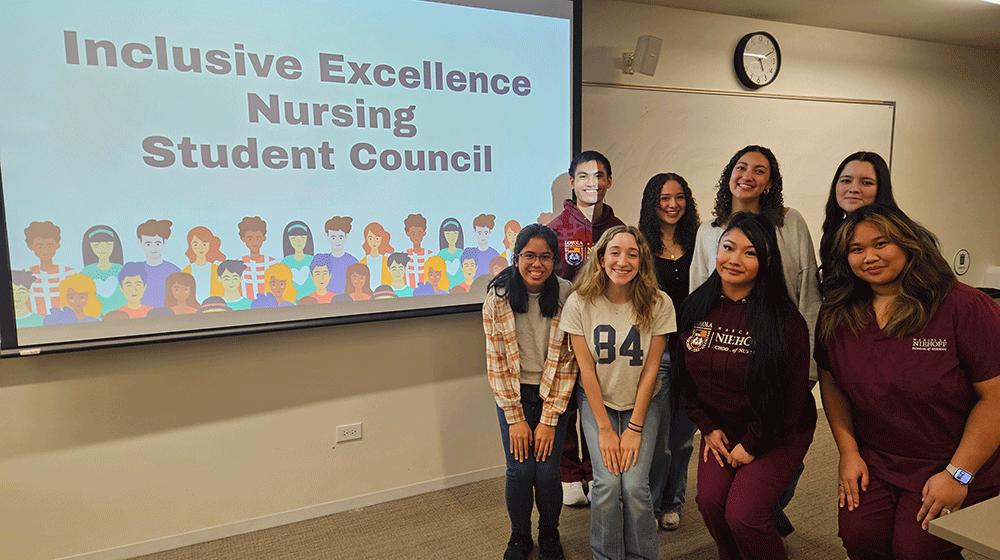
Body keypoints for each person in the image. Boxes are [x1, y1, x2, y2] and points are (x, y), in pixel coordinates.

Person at [815, 204, 1000, 560]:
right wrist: (848, 453)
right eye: (856, 249)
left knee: (915, 550)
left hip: (951, 458)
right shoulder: (838, 309)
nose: (869, 256)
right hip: (876, 457)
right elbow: (832, 382)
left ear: (908, 243)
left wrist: (958, 475)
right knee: (859, 539)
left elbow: (995, 398)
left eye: (881, 244)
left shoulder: (964, 305)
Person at [689, 145, 820, 535]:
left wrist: (807, 365)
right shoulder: (710, 229)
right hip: (725, 354)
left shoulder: (788, 222)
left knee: (754, 498)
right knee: (717, 501)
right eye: (741, 167)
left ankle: (760, 508)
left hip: (779, 352)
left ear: (770, 181)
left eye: (759, 170)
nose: (748, 175)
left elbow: (808, 291)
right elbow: (700, 290)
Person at [560, 225, 675, 560]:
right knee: (607, 486)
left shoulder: (659, 303)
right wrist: (607, 431)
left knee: (635, 487)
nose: (623, 261)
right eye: (615, 252)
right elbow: (586, 371)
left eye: (632, 254)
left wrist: (635, 428)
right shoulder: (579, 303)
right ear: (600, 258)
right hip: (599, 402)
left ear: (642, 262)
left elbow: (652, 370)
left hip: (644, 401)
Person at [483, 223, 576, 560]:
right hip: (514, 393)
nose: (537, 264)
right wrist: (515, 417)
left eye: (546, 257)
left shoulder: (567, 295)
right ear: (516, 257)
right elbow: (496, 361)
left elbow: (569, 362)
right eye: (530, 256)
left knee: (549, 472)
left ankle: (549, 534)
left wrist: (550, 418)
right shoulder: (499, 296)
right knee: (520, 471)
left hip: (555, 393)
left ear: (555, 260)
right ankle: (519, 536)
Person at [549, 150, 626, 506]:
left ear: (608, 181)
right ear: (572, 182)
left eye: (598, 176)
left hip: (608, 333)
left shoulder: (620, 231)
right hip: (565, 333)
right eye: (583, 176)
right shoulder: (555, 230)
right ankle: (569, 473)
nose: (591, 183)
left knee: (600, 402)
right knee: (565, 402)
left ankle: (595, 469)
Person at [636, 172, 701, 531]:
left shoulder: (701, 240)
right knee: (656, 438)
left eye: (679, 197)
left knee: (682, 437)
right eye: (664, 198)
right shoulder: (640, 244)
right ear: (652, 203)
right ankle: (650, 498)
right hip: (655, 351)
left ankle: (673, 502)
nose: (672, 204)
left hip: (693, 349)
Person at [80, 225, 126, 315]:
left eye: (108, 244)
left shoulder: (121, 270)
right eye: (97, 245)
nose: (103, 249)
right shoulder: (86, 272)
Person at [135, 219, 181, 308]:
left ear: (165, 241)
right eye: (148, 244)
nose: (153, 248)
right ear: (140, 242)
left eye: (157, 243)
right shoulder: (136, 272)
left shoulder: (174, 272)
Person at [183, 226, 226, 302]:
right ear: (190, 246)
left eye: (204, 244)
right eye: (196, 244)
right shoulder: (185, 272)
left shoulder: (218, 270)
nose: (200, 248)